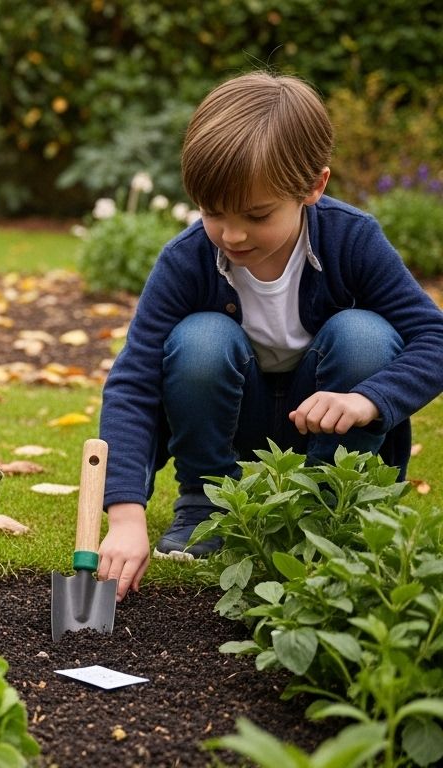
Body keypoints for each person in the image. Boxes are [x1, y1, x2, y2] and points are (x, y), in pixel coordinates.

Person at [96, 71, 443, 600]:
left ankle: (334, 508)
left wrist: (368, 400)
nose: (232, 235)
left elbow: (433, 339)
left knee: (364, 336)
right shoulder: (186, 260)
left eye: (256, 215)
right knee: (201, 340)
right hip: (236, 429)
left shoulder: (353, 240)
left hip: (332, 434)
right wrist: (124, 514)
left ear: (314, 187)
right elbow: (133, 382)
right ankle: (208, 504)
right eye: (213, 213)